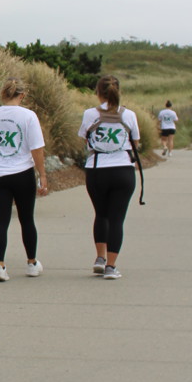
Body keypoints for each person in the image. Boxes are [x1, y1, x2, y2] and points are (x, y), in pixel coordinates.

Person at [0, 78, 48, 282]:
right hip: (23, 172)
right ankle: (31, 262)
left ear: (3, 94)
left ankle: (0, 266)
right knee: (27, 219)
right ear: (22, 95)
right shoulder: (29, 116)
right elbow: (36, 148)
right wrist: (42, 174)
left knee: (1, 221)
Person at [78, 75, 141, 280]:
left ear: (98, 92)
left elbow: (84, 138)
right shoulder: (129, 115)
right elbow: (135, 142)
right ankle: (111, 267)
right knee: (117, 219)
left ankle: (100, 258)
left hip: (97, 169)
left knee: (101, 214)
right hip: (123, 170)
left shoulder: (90, 114)